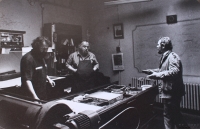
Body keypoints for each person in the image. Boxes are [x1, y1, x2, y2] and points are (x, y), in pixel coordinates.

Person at [143, 37, 190, 129]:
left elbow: (174, 72)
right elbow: (163, 70)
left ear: (163, 46)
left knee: (169, 116)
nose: (157, 46)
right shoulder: (166, 56)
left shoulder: (172, 57)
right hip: (169, 93)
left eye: (158, 44)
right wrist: (151, 71)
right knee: (174, 116)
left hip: (172, 94)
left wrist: (157, 75)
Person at [20, 36, 55, 101]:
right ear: (36, 47)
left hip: (41, 94)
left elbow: (40, 71)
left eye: (46, 49)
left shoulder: (41, 57)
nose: (45, 51)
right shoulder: (28, 59)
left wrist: (49, 79)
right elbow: (27, 80)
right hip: (31, 96)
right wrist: (35, 97)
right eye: (42, 48)